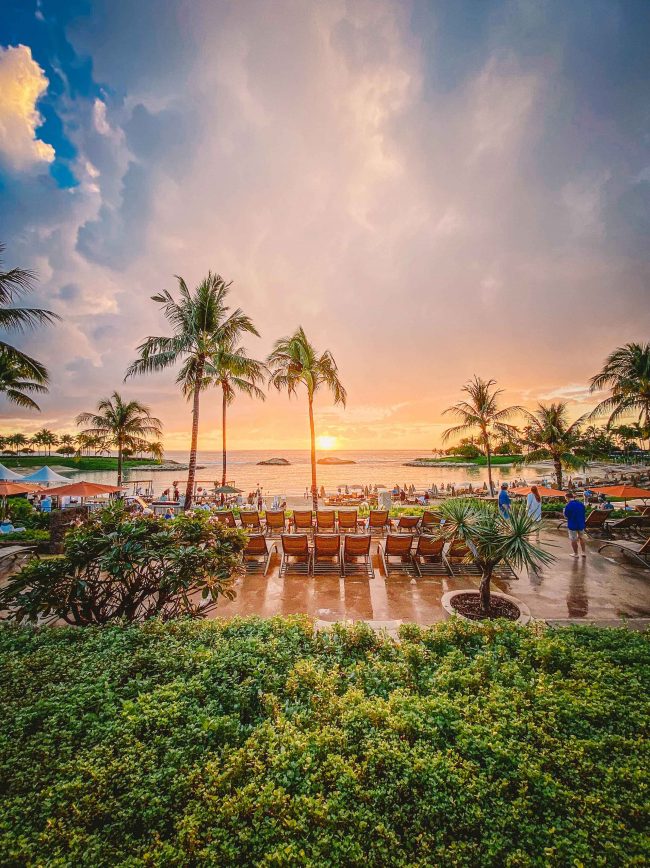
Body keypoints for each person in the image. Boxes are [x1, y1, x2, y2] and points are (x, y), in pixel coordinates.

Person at [563, 492, 587, 558]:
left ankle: (576, 554)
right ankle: (583, 552)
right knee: (581, 538)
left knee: (573, 540)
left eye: (565, 498)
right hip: (581, 524)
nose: (565, 499)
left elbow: (566, 516)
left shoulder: (568, 505)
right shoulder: (580, 504)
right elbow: (584, 512)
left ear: (567, 498)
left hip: (572, 524)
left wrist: (564, 512)